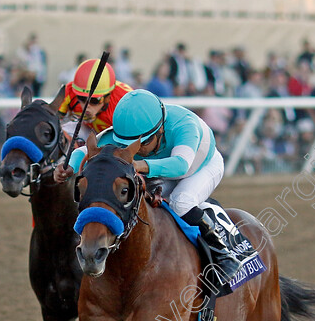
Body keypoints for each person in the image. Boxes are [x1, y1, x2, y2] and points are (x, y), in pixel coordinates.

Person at [54, 89, 242, 281]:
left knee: (181, 202)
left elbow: (181, 165)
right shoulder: (126, 131)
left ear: (160, 129)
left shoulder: (184, 125)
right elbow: (85, 151)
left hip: (200, 168)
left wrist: (139, 164)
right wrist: (69, 166)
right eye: (129, 144)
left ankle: (222, 253)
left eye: (144, 142)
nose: (138, 149)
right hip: (161, 170)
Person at [57, 58, 133, 138]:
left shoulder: (124, 103)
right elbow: (53, 121)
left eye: (94, 100)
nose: (87, 105)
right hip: (87, 131)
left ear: (107, 98)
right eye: (82, 98)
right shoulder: (69, 92)